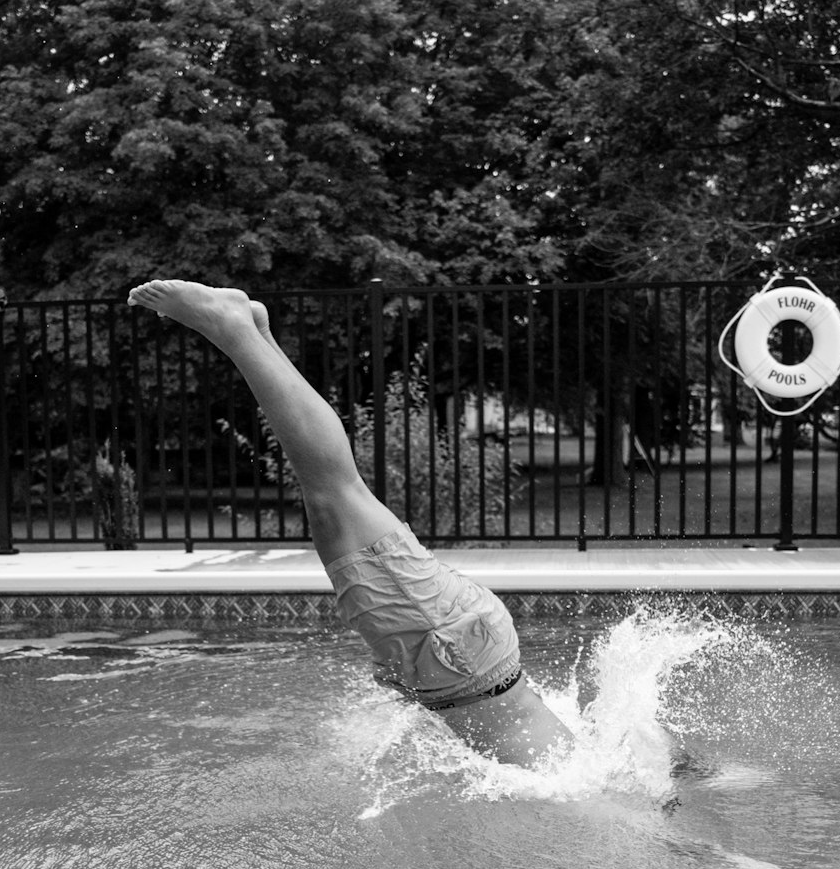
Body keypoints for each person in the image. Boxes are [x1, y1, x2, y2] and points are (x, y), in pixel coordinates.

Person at [127, 281, 573, 767]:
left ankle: (255, 333)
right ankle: (234, 329)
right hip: (453, 652)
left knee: (327, 495)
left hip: (461, 658)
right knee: (333, 491)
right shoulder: (588, 787)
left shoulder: (585, 767)